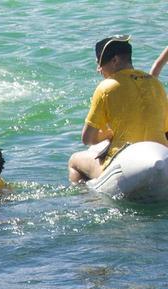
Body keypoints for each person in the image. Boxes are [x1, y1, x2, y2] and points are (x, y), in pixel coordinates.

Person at [68, 36, 168, 184]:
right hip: (161, 152)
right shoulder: (156, 84)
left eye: (100, 63)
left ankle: (86, 201)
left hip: (123, 160)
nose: (98, 69)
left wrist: (109, 133)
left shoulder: (106, 87)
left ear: (114, 60)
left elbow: (88, 139)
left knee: (75, 161)